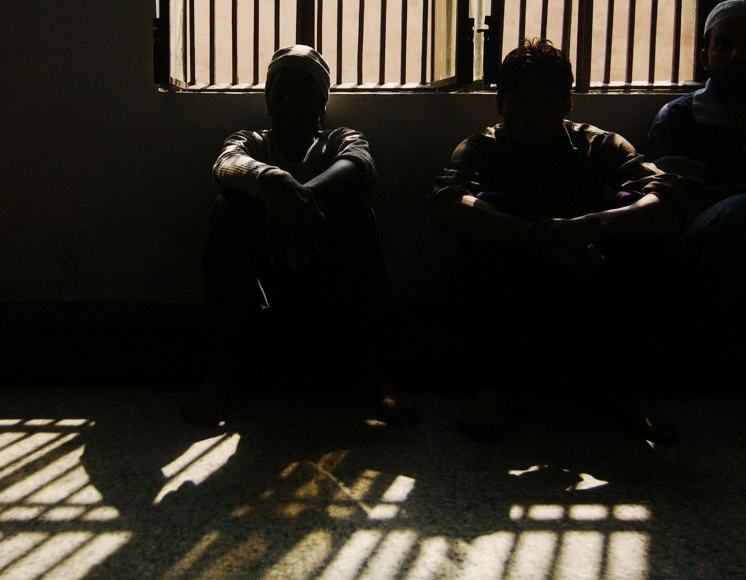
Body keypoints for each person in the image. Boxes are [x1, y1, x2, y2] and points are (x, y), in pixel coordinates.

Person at [426, 38, 687, 443]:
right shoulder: (482, 147)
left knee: (632, 211)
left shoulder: (598, 144)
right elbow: (443, 203)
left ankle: (623, 391)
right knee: (485, 211)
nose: (532, 116)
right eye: (521, 103)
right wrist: (533, 235)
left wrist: (592, 225)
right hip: (515, 293)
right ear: (500, 104)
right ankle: (495, 387)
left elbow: (668, 199)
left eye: (546, 103)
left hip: (585, 291)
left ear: (567, 105)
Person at [186, 43, 420, 426]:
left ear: (322, 102)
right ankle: (222, 371)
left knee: (354, 204)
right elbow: (225, 165)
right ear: (267, 98)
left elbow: (360, 165)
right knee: (229, 208)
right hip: (266, 286)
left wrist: (302, 199)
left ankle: (371, 374)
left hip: (330, 284)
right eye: (280, 88)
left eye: (304, 89)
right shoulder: (251, 142)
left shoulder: (340, 139)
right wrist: (273, 180)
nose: (290, 99)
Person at [647, 0, 746, 385]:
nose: (737, 54)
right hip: (697, 255)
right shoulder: (680, 118)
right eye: (723, 44)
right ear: (705, 56)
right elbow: (678, 205)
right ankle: (726, 360)